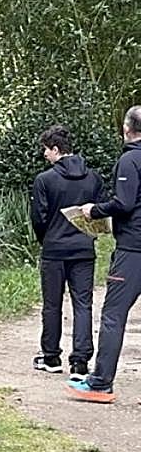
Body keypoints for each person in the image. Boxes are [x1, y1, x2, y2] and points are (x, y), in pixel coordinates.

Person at [67, 106, 141, 403]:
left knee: (113, 315)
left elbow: (123, 204)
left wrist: (93, 211)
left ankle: (100, 383)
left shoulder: (129, 160)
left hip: (133, 249)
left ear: (127, 129)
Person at [29, 125, 103, 378]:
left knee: (52, 304)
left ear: (56, 150)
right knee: (83, 304)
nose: (44, 156)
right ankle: (80, 362)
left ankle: (51, 356)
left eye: (46, 151)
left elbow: (38, 218)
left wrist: (46, 240)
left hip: (54, 249)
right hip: (84, 249)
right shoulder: (93, 178)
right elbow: (99, 214)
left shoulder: (45, 179)